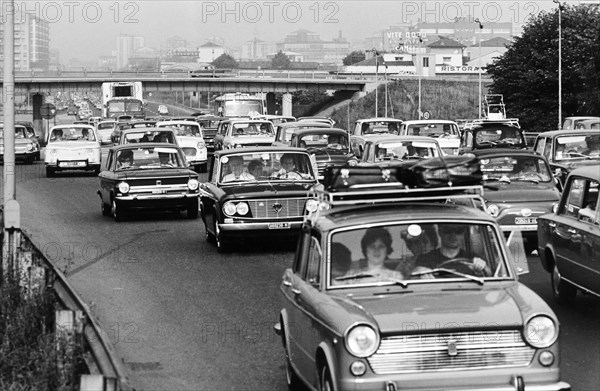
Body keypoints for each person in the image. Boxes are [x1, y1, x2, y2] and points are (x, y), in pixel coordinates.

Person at [414, 224, 490, 276]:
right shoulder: (425, 259)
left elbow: (491, 276)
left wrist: (482, 267)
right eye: (448, 230)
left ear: (463, 233)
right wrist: (419, 272)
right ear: (440, 232)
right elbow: (414, 275)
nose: (453, 236)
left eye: (458, 231)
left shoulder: (473, 258)